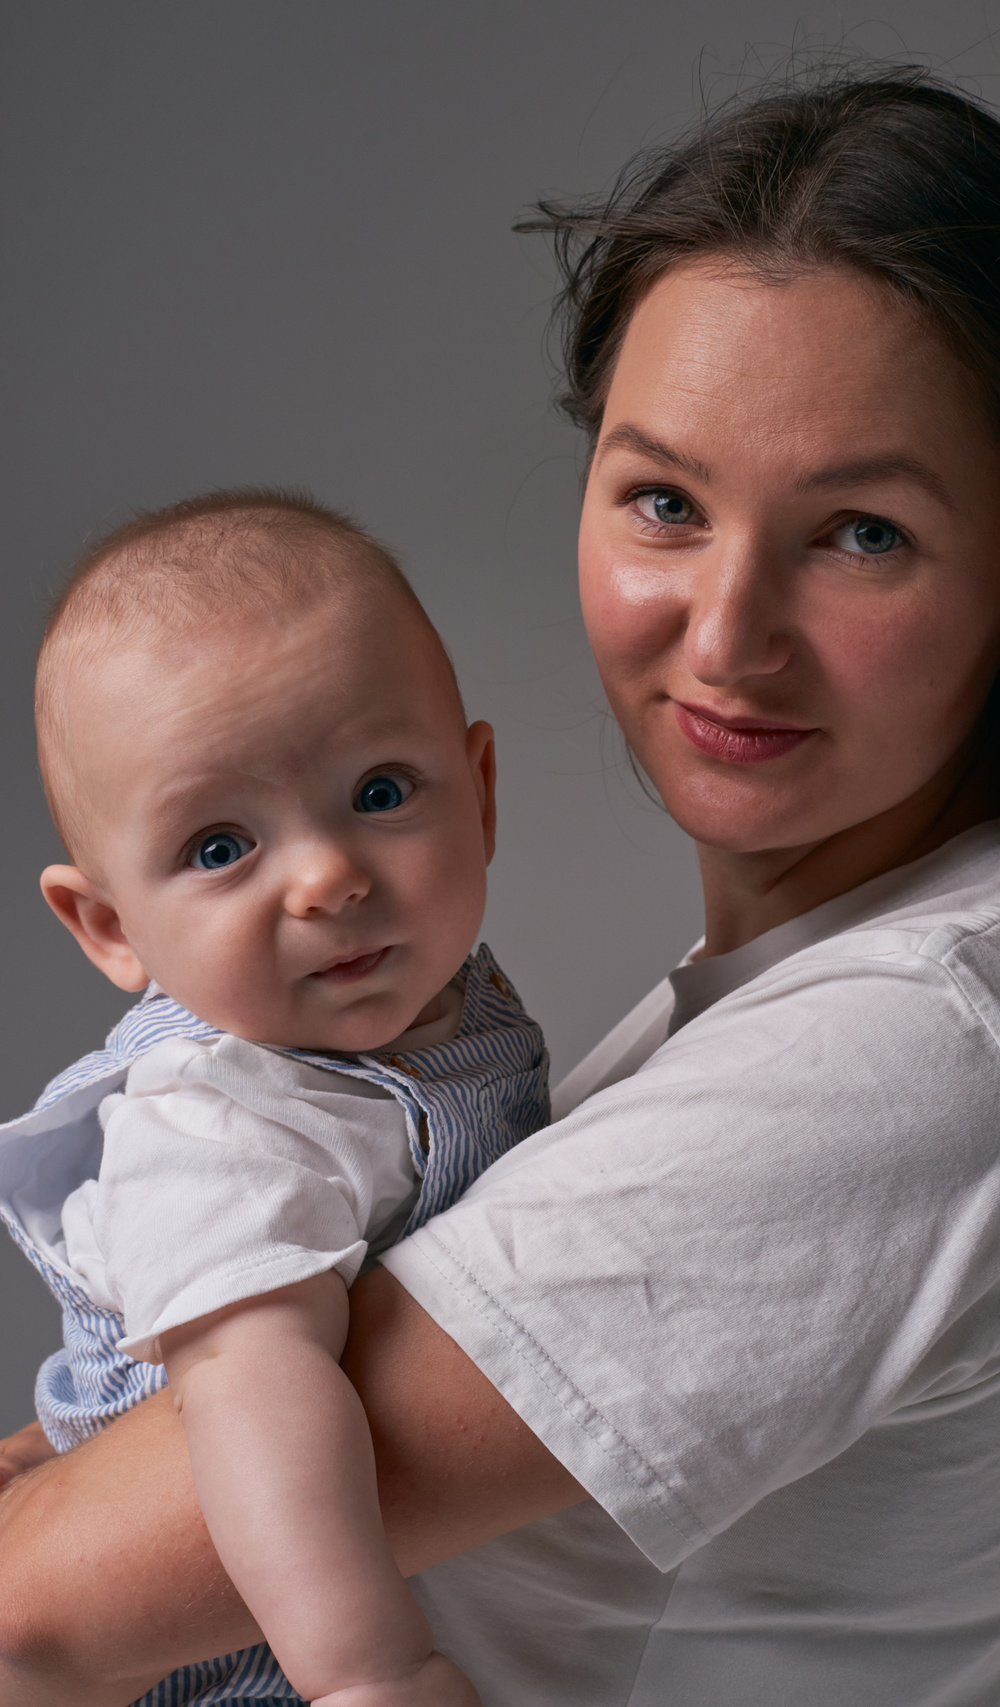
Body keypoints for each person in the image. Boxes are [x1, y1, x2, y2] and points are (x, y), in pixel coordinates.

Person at [0, 72, 1000, 1707]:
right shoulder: (817, 989)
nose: (727, 634)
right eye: (667, 502)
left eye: (862, 532)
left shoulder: (906, 1050)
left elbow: (37, 1607)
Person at [0, 493, 540, 1707]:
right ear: (108, 926)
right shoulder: (219, 1116)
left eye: (381, 792)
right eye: (219, 847)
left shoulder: (443, 999)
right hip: (245, 1657)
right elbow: (256, 1402)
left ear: (481, 790)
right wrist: (369, 1672)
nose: (329, 877)